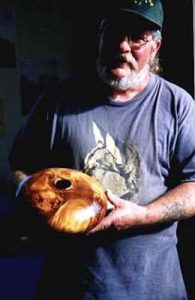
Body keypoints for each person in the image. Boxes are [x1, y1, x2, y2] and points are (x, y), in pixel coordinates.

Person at [8, 0, 195, 299]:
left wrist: (144, 214)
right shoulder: (57, 102)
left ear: (155, 48)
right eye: (115, 31)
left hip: (153, 287)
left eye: (137, 37)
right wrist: (28, 194)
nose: (122, 45)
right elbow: (19, 167)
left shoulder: (178, 106)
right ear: (100, 35)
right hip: (71, 286)